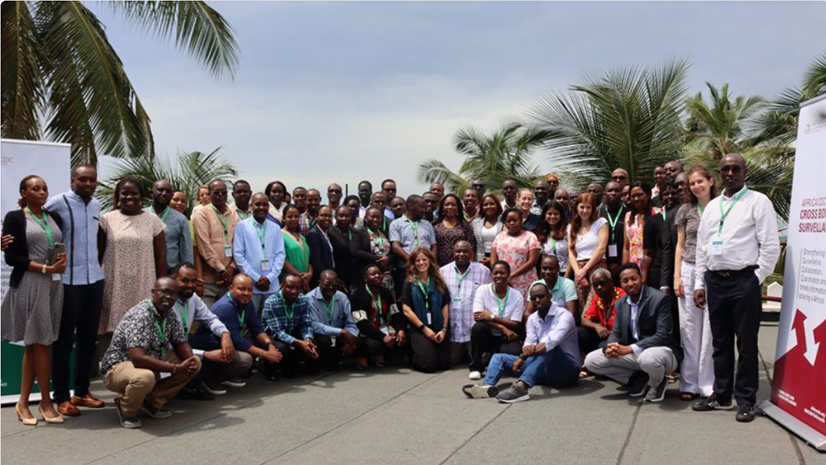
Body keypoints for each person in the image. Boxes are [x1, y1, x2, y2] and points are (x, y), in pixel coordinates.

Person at [692, 153, 780, 422]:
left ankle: (745, 400)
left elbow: (771, 245)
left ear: (745, 171)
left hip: (744, 280)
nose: (730, 173)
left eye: (735, 168)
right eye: (725, 169)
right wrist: (700, 282)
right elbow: (703, 247)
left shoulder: (758, 202)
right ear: (719, 173)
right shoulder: (713, 206)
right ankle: (721, 395)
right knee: (720, 343)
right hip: (715, 281)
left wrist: (756, 278)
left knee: (746, 342)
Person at [3, 175, 67, 425]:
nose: (42, 192)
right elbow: (11, 258)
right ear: (24, 192)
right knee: (40, 343)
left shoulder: (54, 217)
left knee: (39, 345)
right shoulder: (15, 218)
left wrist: (62, 262)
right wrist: (44, 269)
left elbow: (59, 247)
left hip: (54, 285)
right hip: (31, 282)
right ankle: (45, 402)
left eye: (44, 188)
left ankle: (22, 403)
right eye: (35, 189)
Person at [45, 165, 106, 417]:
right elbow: (35, 219)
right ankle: (61, 397)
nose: (87, 183)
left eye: (92, 179)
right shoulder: (57, 202)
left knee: (88, 340)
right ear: (72, 180)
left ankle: (81, 391)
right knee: (63, 341)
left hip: (94, 279)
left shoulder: (96, 205)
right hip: (68, 281)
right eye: (82, 179)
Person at [100, 277, 201, 428]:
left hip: (151, 359)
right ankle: (126, 408)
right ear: (153, 292)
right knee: (144, 377)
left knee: (195, 362)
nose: (168, 297)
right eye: (164, 292)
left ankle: (150, 402)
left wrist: (189, 361)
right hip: (119, 367)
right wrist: (175, 368)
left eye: (173, 294)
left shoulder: (168, 313)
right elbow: (138, 358)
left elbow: (180, 342)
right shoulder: (141, 315)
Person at [462, 281, 579, 403]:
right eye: (534, 298)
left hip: (567, 373)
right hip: (543, 371)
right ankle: (486, 386)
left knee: (549, 348)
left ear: (549, 296)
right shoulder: (533, 318)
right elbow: (528, 344)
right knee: (499, 358)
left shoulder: (564, 316)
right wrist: (525, 354)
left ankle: (521, 388)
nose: (538, 300)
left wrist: (522, 358)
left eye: (541, 296)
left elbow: (550, 343)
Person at [584, 263, 683, 403]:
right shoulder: (621, 303)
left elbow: (663, 335)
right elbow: (616, 333)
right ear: (620, 283)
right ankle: (637, 377)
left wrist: (629, 348)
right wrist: (611, 345)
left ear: (641, 278)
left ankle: (658, 383)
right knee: (592, 360)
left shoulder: (659, 299)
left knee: (648, 358)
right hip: (636, 354)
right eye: (625, 281)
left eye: (633, 279)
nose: (630, 283)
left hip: (663, 353)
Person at [99, 178, 167, 333]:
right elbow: (99, 253)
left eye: (134, 193)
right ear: (118, 196)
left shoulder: (153, 221)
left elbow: (161, 257)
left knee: (142, 328)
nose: (129, 197)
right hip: (115, 283)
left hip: (143, 282)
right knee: (113, 332)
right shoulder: (106, 220)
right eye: (124, 193)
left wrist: (161, 288)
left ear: (141, 197)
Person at [190, 274, 278, 394]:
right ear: (231, 288)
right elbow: (237, 341)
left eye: (249, 290)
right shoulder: (225, 307)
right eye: (241, 289)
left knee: (264, 341)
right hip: (210, 344)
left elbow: (256, 328)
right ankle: (209, 379)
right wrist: (265, 354)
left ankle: (226, 376)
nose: (246, 293)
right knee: (245, 360)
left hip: (231, 340)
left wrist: (270, 345)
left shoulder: (248, 302)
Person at [673, 166, 717, 401]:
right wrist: (676, 276)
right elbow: (680, 245)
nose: (697, 186)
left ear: (710, 181)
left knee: (710, 329)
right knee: (689, 328)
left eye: (700, 181)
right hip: (689, 270)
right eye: (692, 183)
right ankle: (689, 382)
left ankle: (707, 383)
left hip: (714, 271)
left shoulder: (722, 206)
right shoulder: (685, 210)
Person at [170, 263, 236, 401]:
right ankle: (185, 385)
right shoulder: (167, 301)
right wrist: (205, 355)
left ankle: (194, 385)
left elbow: (211, 319)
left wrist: (225, 334)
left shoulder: (192, 298)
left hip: (184, 344)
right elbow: (169, 346)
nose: (190, 285)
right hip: (168, 350)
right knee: (202, 356)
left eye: (194, 281)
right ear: (173, 279)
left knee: (216, 339)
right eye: (184, 280)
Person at [468, 261, 524, 380]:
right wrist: (502, 327)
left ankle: (492, 357)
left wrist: (492, 317)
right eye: (495, 273)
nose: (498, 276)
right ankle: (476, 367)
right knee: (478, 328)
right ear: (491, 275)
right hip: (488, 333)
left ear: (509, 275)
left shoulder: (517, 295)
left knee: (514, 352)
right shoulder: (482, 290)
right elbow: (477, 316)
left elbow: (515, 324)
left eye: (502, 273)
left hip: (506, 337)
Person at [400, 247, 451, 372]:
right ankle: (410, 357)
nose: (421, 263)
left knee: (445, 364)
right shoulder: (409, 282)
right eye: (417, 260)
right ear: (413, 263)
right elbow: (406, 310)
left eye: (424, 259)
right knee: (429, 366)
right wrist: (425, 329)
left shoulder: (439, 281)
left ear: (430, 261)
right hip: (419, 329)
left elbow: (445, 306)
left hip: (438, 326)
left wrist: (444, 329)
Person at [440, 241, 492, 365]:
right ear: (453, 253)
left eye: (465, 251)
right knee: (452, 361)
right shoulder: (443, 272)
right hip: (453, 327)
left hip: (471, 326)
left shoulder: (483, 271)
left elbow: (489, 296)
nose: (461, 254)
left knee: (481, 361)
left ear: (471, 253)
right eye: (458, 251)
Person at [233, 193, 286, 311]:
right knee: (249, 323)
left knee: (270, 322)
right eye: (257, 204)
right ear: (251, 206)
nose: (261, 207)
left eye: (265, 204)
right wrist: (256, 278)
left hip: (271, 286)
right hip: (250, 286)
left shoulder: (275, 227)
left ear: (268, 207)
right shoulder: (242, 226)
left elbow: (280, 255)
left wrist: (269, 278)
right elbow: (238, 255)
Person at [191, 179, 238, 307]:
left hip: (228, 280)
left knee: (225, 320)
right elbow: (204, 246)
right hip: (209, 281)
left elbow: (239, 244)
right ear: (210, 194)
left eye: (223, 192)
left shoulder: (234, 214)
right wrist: (223, 270)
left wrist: (232, 267)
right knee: (206, 322)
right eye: (216, 193)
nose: (220, 195)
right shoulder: (202, 214)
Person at [261, 274, 319, 377]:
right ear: (281, 286)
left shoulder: (304, 299)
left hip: (293, 331)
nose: (294, 291)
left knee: (313, 342)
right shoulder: (271, 302)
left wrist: (307, 339)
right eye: (290, 287)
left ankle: (301, 365)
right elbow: (277, 332)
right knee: (283, 348)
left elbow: (305, 323)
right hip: (274, 336)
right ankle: (269, 366)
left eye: (298, 288)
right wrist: (298, 342)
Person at [350, 265, 407, 368]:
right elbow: (362, 323)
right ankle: (363, 356)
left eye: (379, 273)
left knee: (401, 340)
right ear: (365, 278)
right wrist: (383, 337)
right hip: (366, 332)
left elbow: (396, 314)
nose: (377, 276)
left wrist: (400, 330)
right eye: (373, 274)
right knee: (375, 346)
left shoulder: (386, 293)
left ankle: (380, 355)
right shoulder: (358, 295)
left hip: (384, 327)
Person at [306, 270, 360, 369]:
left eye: (334, 285)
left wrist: (350, 341)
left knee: (357, 337)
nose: (330, 288)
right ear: (319, 283)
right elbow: (315, 325)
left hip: (337, 336)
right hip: (319, 336)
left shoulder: (342, 297)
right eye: (327, 284)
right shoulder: (310, 298)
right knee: (324, 341)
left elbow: (351, 322)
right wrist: (342, 332)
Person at [578, 268, 625, 372]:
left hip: (619, 337)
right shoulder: (598, 297)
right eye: (595, 285)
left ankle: (597, 366)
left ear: (611, 282)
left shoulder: (622, 297)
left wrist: (609, 332)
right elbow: (584, 320)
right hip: (604, 334)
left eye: (602, 283)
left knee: (602, 346)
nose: (599, 287)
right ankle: (594, 364)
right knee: (578, 332)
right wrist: (596, 326)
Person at [568, 193, 609, 310]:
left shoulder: (601, 223)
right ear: (576, 208)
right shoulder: (572, 228)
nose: (584, 210)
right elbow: (571, 252)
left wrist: (585, 269)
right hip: (579, 270)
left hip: (597, 267)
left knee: (594, 306)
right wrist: (578, 272)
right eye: (582, 207)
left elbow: (601, 249)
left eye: (588, 207)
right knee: (582, 306)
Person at [389, 195, 437, 293]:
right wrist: (413, 261)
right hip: (406, 267)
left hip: (426, 267)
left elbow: (434, 245)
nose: (424, 210)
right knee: (407, 296)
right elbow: (396, 246)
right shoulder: (396, 224)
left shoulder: (427, 224)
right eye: (421, 207)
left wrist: (430, 261)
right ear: (411, 206)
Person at [491, 208, 541, 302]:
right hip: (503, 281)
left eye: (515, 220)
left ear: (521, 220)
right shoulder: (499, 236)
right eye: (508, 221)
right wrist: (499, 274)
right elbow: (493, 257)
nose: (512, 223)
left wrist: (511, 275)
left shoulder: (530, 236)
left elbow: (532, 261)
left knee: (525, 310)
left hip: (524, 282)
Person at [148, 180, 193, 273]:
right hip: (144, 273)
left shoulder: (180, 219)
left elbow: (186, 251)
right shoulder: (140, 215)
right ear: (151, 193)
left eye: (168, 191)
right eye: (160, 190)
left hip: (170, 274)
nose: (164, 193)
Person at [643, 182, 681, 290]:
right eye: (666, 194)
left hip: (681, 269)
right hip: (659, 270)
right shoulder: (652, 220)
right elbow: (648, 253)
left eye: (673, 193)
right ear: (660, 198)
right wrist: (644, 278)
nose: (670, 197)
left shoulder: (684, 217)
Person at [351, 206, 394, 292]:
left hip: (385, 276)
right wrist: (377, 258)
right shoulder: (359, 233)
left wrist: (388, 259)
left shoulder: (385, 233)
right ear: (366, 218)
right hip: (366, 274)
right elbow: (355, 251)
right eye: (372, 217)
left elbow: (393, 252)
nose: (375, 219)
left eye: (378, 217)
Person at [623, 181, 659, 273]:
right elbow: (626, 247)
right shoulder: (628, 216)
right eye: (633, 196)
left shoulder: (657, 213)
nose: (636, 198)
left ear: (648, 195)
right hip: (633, 267)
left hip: (652, 266)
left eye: (640, 195)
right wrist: (624, 270)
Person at [598, 181, 628, 285]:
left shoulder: (629, 212)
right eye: (610, 190)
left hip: (623, 259)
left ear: (622, 194)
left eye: (617, 190)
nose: (613, 193)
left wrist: (624, 265)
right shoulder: (598, 213)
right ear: (604, 194)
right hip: (604, 262)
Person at [433, 194, 476, 267]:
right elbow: (433, 248)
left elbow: (472, 248)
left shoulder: (465, 226)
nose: (450, 207)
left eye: (453, 205)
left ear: (458, 208)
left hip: (462, 267)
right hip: (440, 267)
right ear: (442, 207)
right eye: (447, 205)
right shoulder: (435, 226)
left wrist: (469, 267)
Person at [281, 204, 312, 292]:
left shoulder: (302, 237)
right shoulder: (280, 235)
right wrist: (298, 276)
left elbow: (308, 260)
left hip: (303, 283)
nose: (293, 219)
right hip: (289, 283)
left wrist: (309, 274)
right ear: (284, 218)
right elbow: (282, 260)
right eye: (290, 216)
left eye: (296, 216)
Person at [471, 194, 504, 267]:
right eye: (485, 205)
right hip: (480, 260)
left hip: (499, 260)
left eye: (492, 204)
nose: (489, 206)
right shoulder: (475, 223)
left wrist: (492, 259)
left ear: (497, 206)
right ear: (482, 208)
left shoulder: (504, 222)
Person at [307, 205, 335, 288]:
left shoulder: (326, 233)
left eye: (329, 216)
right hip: (321, 280)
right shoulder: (313, 234)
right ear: (316, 216)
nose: (327, 218)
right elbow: (316, 261)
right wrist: (327, 277)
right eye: (323, 215)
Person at [329, 205, 356, 288]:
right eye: (341, 216)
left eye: (347, 216)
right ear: (335, 217)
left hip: (354, 275)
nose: (344, 218)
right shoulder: (330, 232)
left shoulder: (356, 233)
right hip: (337, 275)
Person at [540, 202, 570, 275]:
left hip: (566, 271)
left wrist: (566, 277)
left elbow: (572, 255)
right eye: (549, 214)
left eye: (556, 214)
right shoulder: (543, 232)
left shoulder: (568, 229)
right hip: (549, 274)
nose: (552, 216)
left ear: (561, 216)